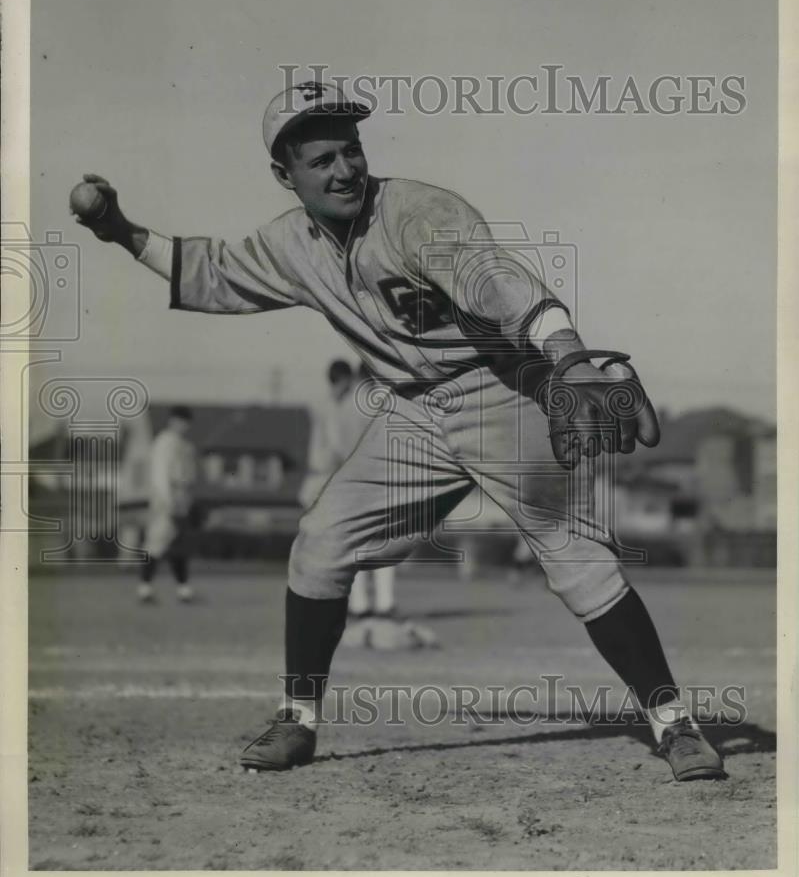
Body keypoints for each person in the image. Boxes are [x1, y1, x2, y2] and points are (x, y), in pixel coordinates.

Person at [72, 79, 725, 782]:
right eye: (320, 160)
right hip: (413, 412)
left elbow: (493, 281)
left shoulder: (417, 213)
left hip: (504, 392)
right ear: (283, 175)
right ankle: (298, 722)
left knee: (577, 561)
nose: (344, 169)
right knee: (320, 543)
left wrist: (565, 353)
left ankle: (672, 724)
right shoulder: (291, 243)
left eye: (350, 150)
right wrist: (118, 230)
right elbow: (213, 271)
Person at [300, 359, 397, 620]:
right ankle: (384, 603)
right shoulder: (380, 403)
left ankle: (358, 604)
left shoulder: (341, 406)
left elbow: (337, 449)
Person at [138, 405, 198, 604]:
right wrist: (167, 501)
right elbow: (160, 474)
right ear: (173, 421)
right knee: (157, 543)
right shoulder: (164, 442)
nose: (184, 426)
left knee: (178, 545)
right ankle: (145, 587)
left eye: (187, 423)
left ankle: (183, 588)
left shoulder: (183, 445)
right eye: (181, 421)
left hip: (180, 497)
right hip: (166, 498)